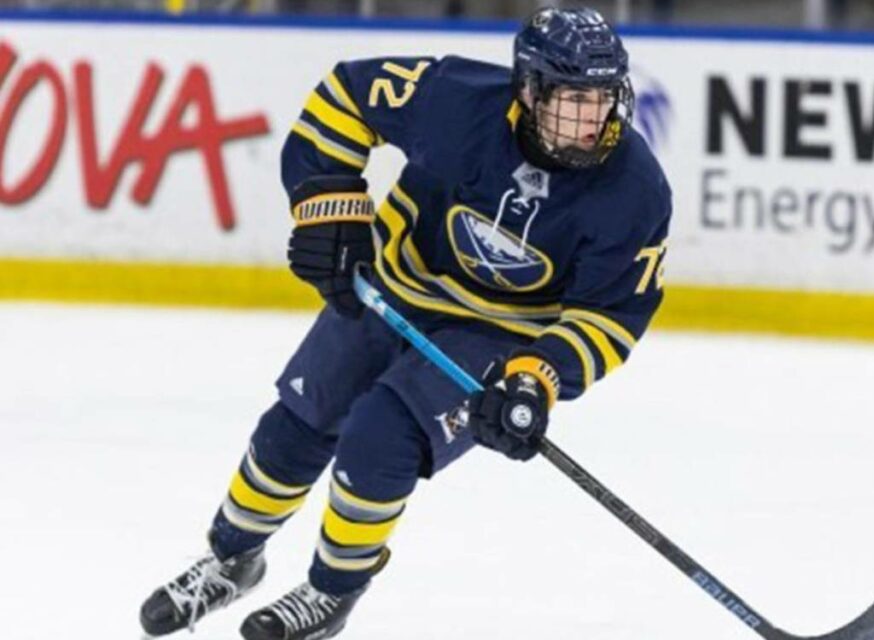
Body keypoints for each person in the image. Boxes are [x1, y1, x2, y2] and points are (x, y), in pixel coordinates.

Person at [139, 6, 672, 640]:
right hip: (393, 286)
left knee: (378, 439)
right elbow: (346, 96)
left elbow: (609, 317)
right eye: (571, 100)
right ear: (528, 90)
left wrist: (535, 379)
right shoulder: (456, 102)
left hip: (496, 338)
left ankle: (331, 592)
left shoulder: (635, 190)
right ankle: (231, 560)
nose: (591, 123)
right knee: (298, 423)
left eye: (603, 100)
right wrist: (327, 209)